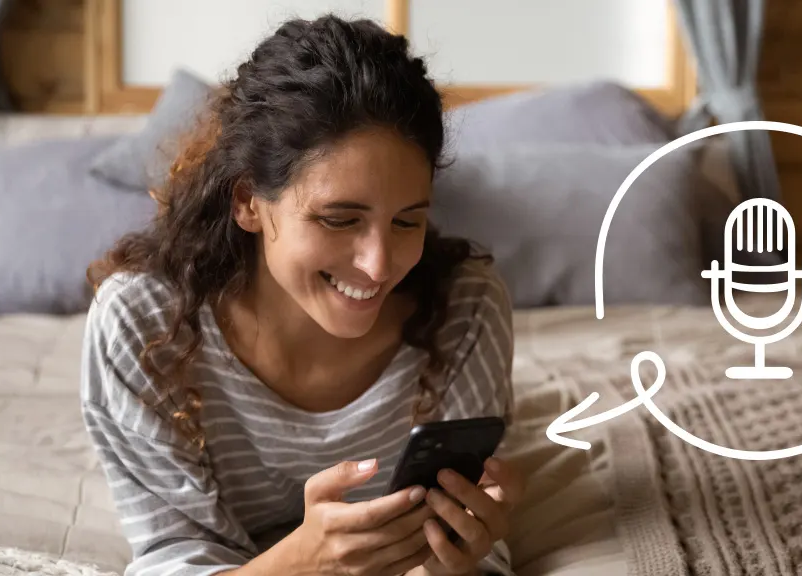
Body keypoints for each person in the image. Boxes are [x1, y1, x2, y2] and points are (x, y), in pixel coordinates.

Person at [79, 14, 524, 576]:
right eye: (340, 220)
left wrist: (462, 554)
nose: (379, 264)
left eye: (407, 222)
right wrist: (302, 564)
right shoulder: (141, 327)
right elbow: (171, 553)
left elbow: (477, 559)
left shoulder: (466, 308)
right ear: (248, 202)